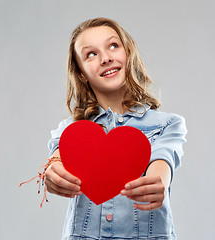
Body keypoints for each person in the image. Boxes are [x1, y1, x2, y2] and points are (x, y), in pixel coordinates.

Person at [45, 17, 187, 240]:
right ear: (81, 73)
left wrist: (157, 181)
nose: (106, 58)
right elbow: (58, 156)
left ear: (127, 53)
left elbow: (163, 160)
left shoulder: (168, 124)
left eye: (113, 46)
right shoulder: (71, 130)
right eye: (91, 54)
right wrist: (53, 171)